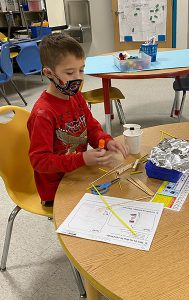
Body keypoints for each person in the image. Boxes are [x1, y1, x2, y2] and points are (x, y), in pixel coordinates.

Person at [27, 33, 128, 207]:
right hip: (57, 190)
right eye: (70, 72)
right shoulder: (43, 114)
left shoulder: (76, 97)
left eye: (81, 70)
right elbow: (40, 162)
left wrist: (106, 141)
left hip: (79, 173)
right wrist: (82, 159)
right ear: (49, 73)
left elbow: (92, 129)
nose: (79, 78)